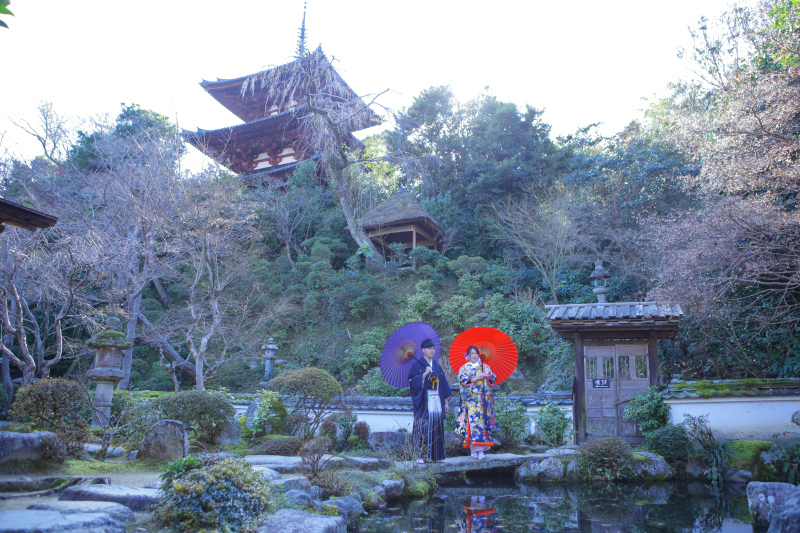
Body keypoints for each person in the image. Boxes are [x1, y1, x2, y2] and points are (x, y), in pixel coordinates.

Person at [408, 338, 452, 463]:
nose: (432, 351)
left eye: (433, 348)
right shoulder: (416, 365)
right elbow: (411, 381)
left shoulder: (437, 366)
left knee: (437, 426)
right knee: (422, 426)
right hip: (423, 400)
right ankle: (420, 455)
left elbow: (443, 384)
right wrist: (424, 375)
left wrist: (446, 402)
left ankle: (438, 455)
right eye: (429, 348)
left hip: (437, 399)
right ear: (423, 350)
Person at [455, 345, 498, 459]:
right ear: (468, 355)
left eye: (475, 353)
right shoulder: (464, 368)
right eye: (471, 353)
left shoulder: (485, 366)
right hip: (471, 400)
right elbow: (461, 380)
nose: (474, 355)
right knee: (473, 424)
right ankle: (474, 449)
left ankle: (481, 450)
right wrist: (477, 377)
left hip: (483, 400)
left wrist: (487, 374)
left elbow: (493, 378)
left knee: (483, 424)